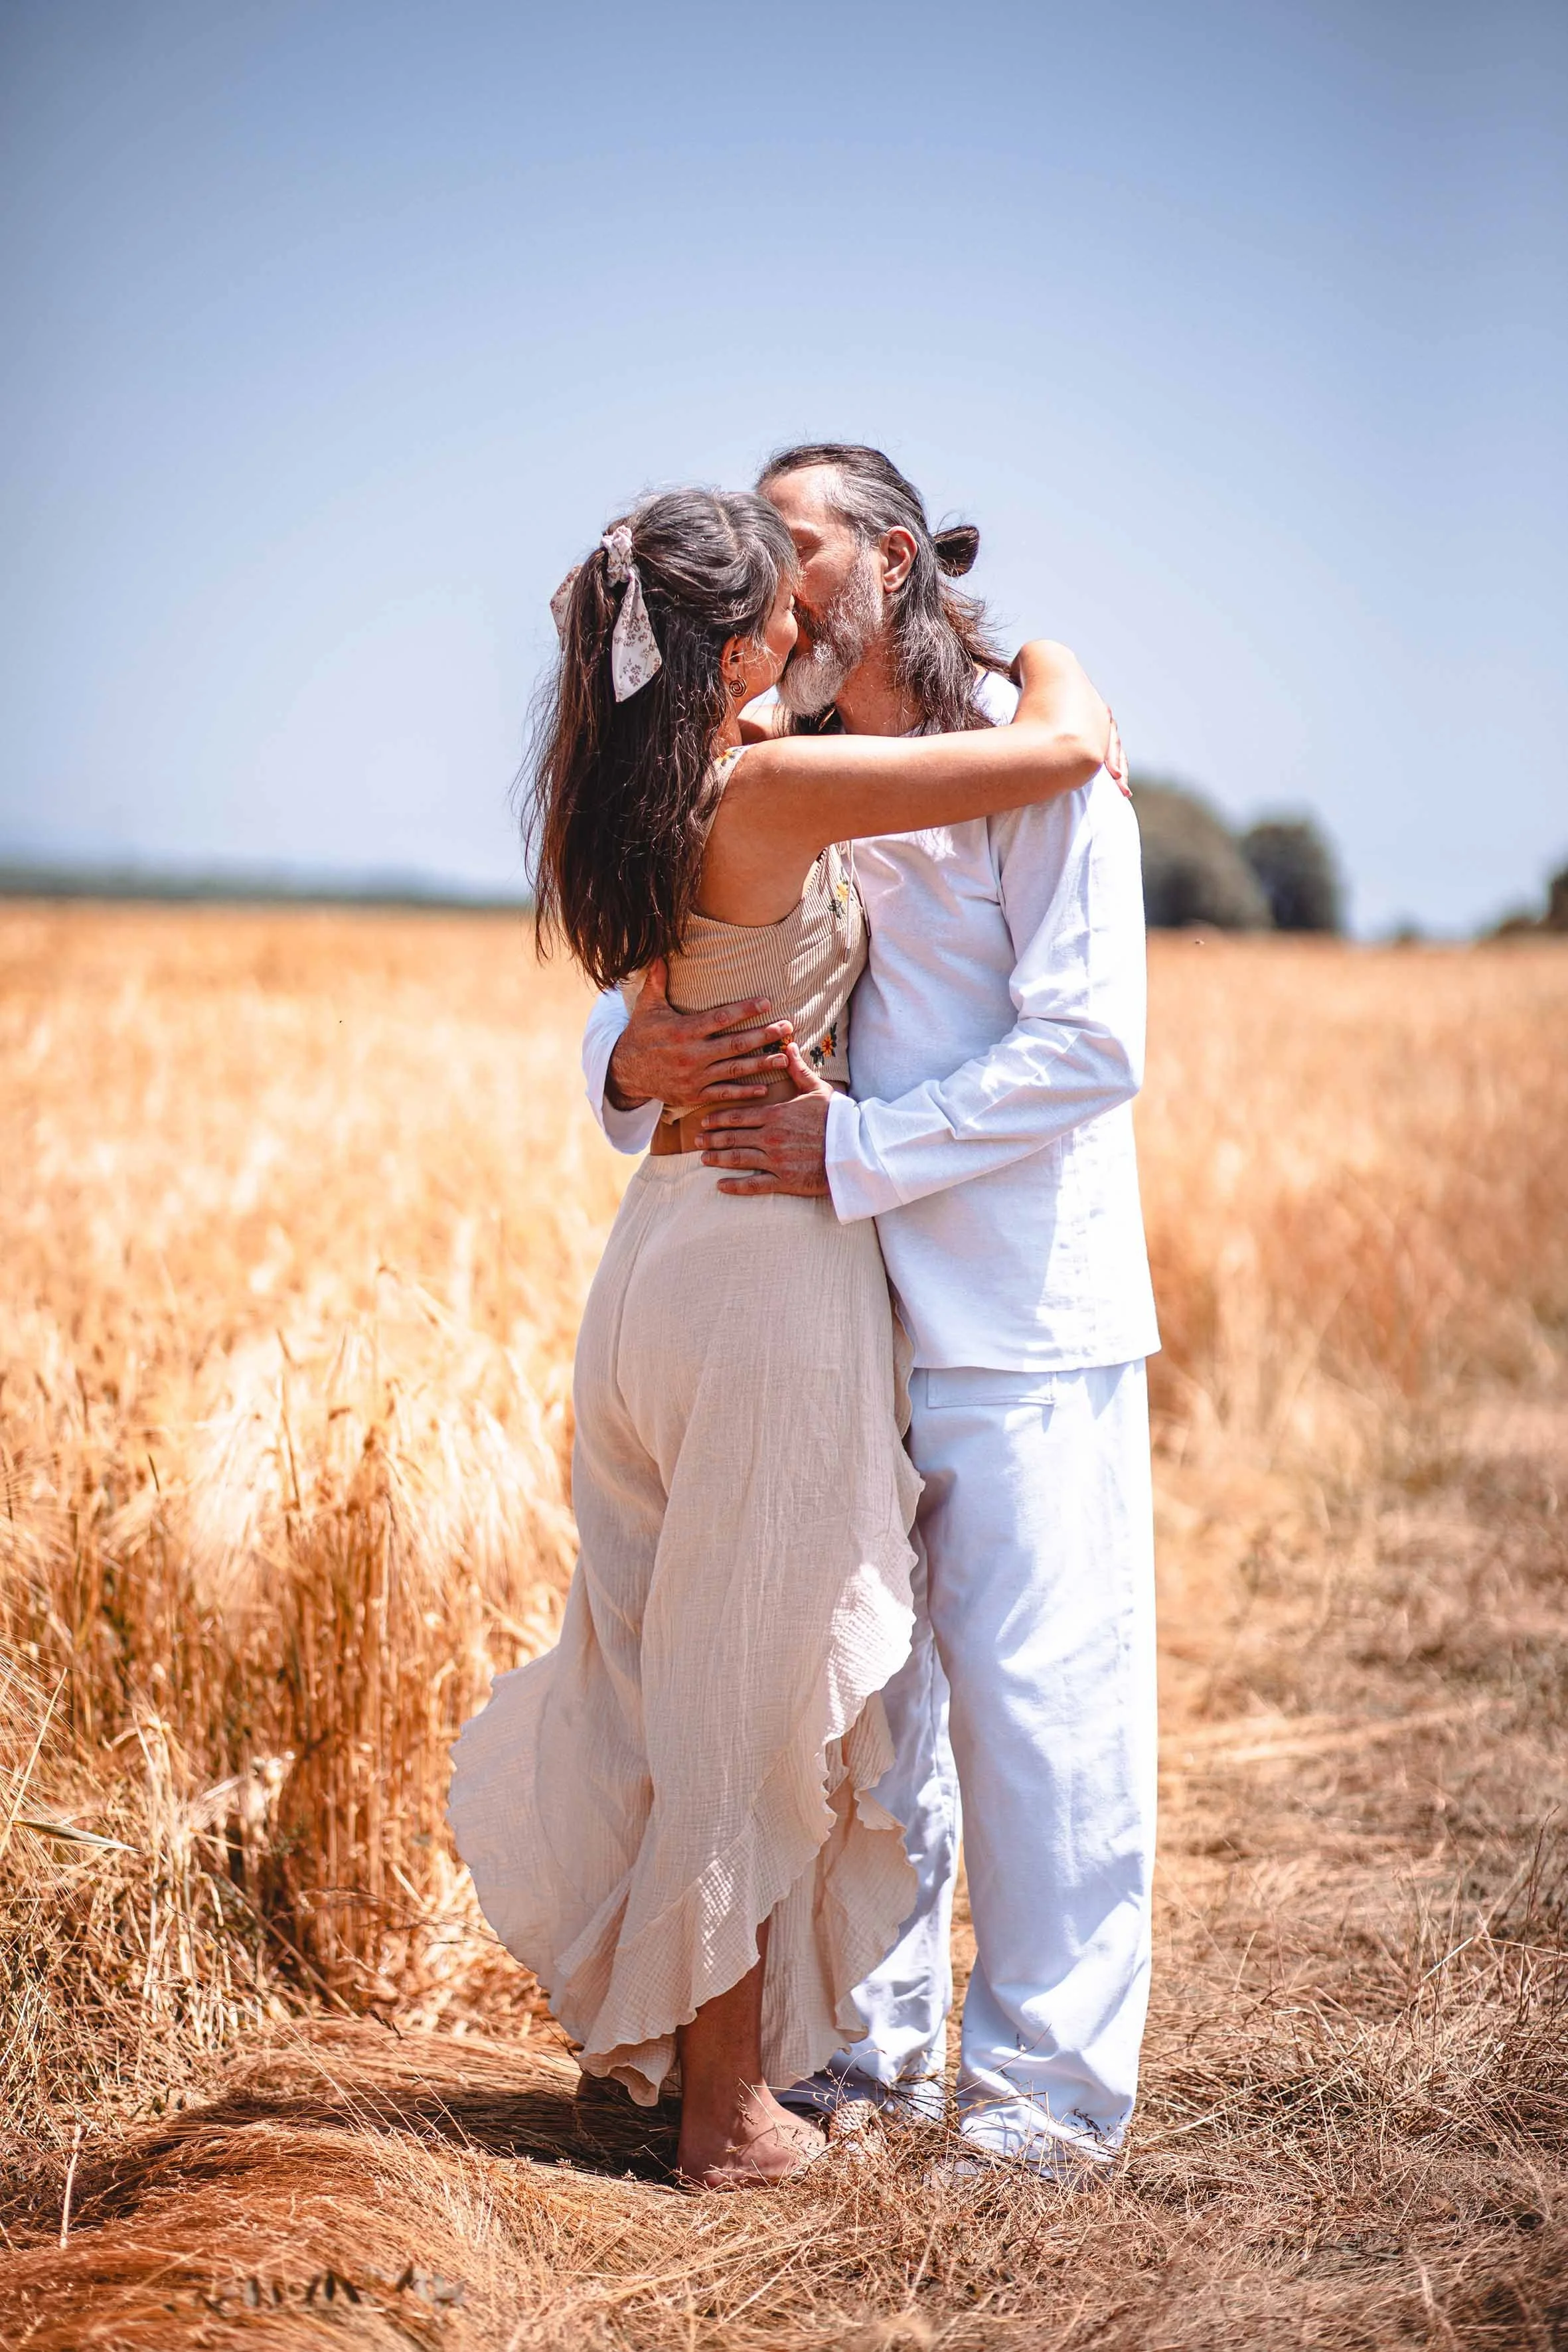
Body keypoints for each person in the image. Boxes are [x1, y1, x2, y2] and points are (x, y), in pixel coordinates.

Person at [449, 483, 1114, 2189]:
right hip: (763, 1273)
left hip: (653, 1274)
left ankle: (733, 2059)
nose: (804, 619)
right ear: (741, 636)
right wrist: (1049, 657)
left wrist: (636, 1053)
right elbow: (1053, 753)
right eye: (772, 588)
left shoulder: (616, 785)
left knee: (691, 1666)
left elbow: (645, 992)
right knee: (747, 1694)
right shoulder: (777, 784)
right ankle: (729, 2114)